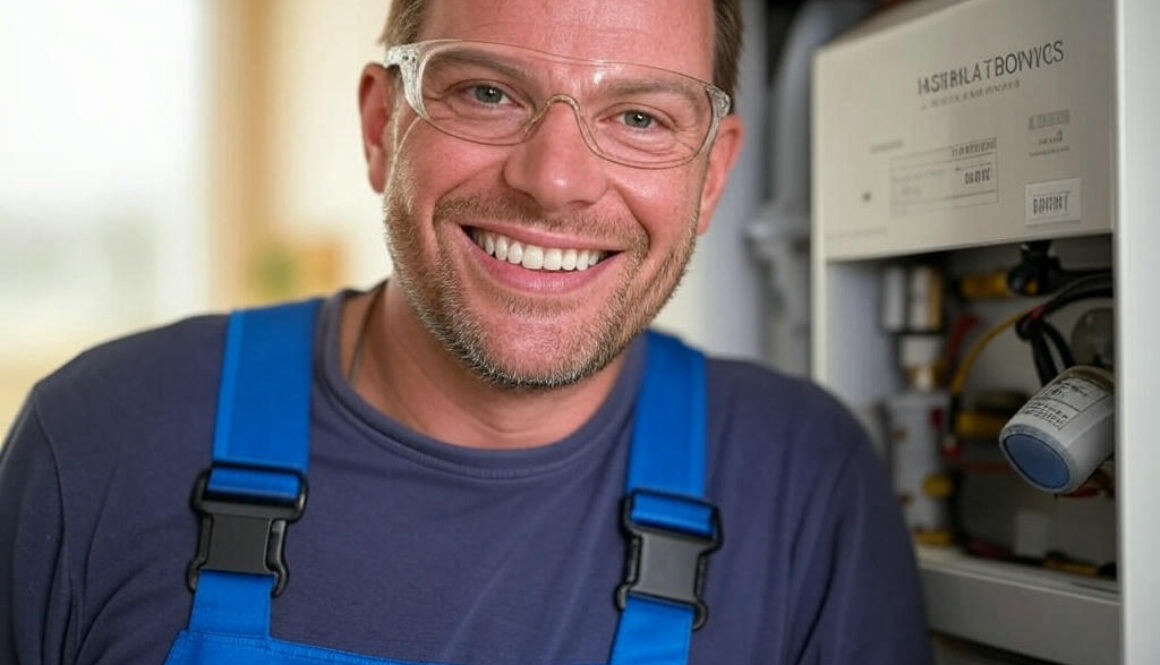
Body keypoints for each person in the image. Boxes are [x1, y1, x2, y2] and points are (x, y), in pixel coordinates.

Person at [0, 0, 932, 663]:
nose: (555, 178)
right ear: (380, 125)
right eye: (488, 93)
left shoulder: (805, 483)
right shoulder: (96, 441)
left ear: (712, 175)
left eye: (641, 116)